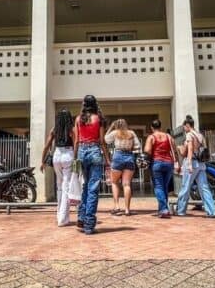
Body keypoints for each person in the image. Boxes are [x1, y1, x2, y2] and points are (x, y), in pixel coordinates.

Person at [73, 95, 110, 235]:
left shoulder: (78, 119)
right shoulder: (98, 119)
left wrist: (75, 158)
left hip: (82, 153)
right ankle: (89, 224)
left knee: (86, 186)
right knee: (93, 188)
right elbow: (102, 141)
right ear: (95, 104)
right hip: (94, 151)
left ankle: (81, 217)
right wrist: (107, 160)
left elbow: (76, 141)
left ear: (84, 104)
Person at [175, 115, 215, 218]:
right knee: (204, 188)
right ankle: (212, 211)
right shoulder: (200, 135)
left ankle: (181, 210)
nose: (184, 129)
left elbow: (190, 149)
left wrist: (189, 164)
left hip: (192, 162)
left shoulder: (189, 135)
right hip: (201, 164)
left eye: (184, 127)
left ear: (187, 125)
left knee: (185, 187)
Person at [40, 109, 75, 227]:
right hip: (68, 155)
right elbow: (76, 144)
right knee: (66, 187)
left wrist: (42, 161)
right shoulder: (71, 129)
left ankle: (59, 215)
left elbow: (46, 146)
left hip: (57, 156)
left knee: (59, 187)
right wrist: (76, 159)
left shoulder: (54, 129)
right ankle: (63, 219)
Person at [105, 119, 141, 216]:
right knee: (126, 184)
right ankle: (127, 210)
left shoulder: (115, 132)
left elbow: (106, 140)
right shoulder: (131, 133)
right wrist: (131, 148)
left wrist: (111, 127)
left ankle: (117, 206)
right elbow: (138, 146)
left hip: (118, 156)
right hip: (129, 157)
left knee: (114, 182)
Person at [144, 119, 177, 218]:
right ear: (160, 126)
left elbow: (147, 150)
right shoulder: (168, 136)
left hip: (157, 162)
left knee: (158, 186)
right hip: (168, 163)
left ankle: (163, 209)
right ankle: (162, 209)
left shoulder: (151, 137)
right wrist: (177, 163)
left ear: (152, 127)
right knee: (164, 187)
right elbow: (174, 150)